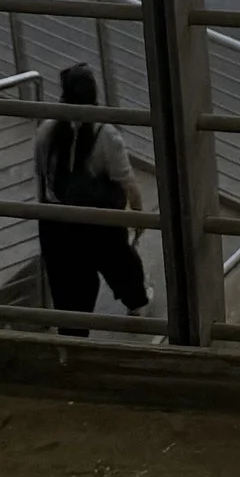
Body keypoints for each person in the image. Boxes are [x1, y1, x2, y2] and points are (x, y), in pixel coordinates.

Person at [31, 62, 148, 326]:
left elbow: (41, 176)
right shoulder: (106, 135)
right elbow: (126, 180)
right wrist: (139, 215)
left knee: (69, 286)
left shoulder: (46, 131)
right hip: (98, 222)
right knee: (120, 264)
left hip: (57, 222)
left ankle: (72, 341)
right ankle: (137, 305)